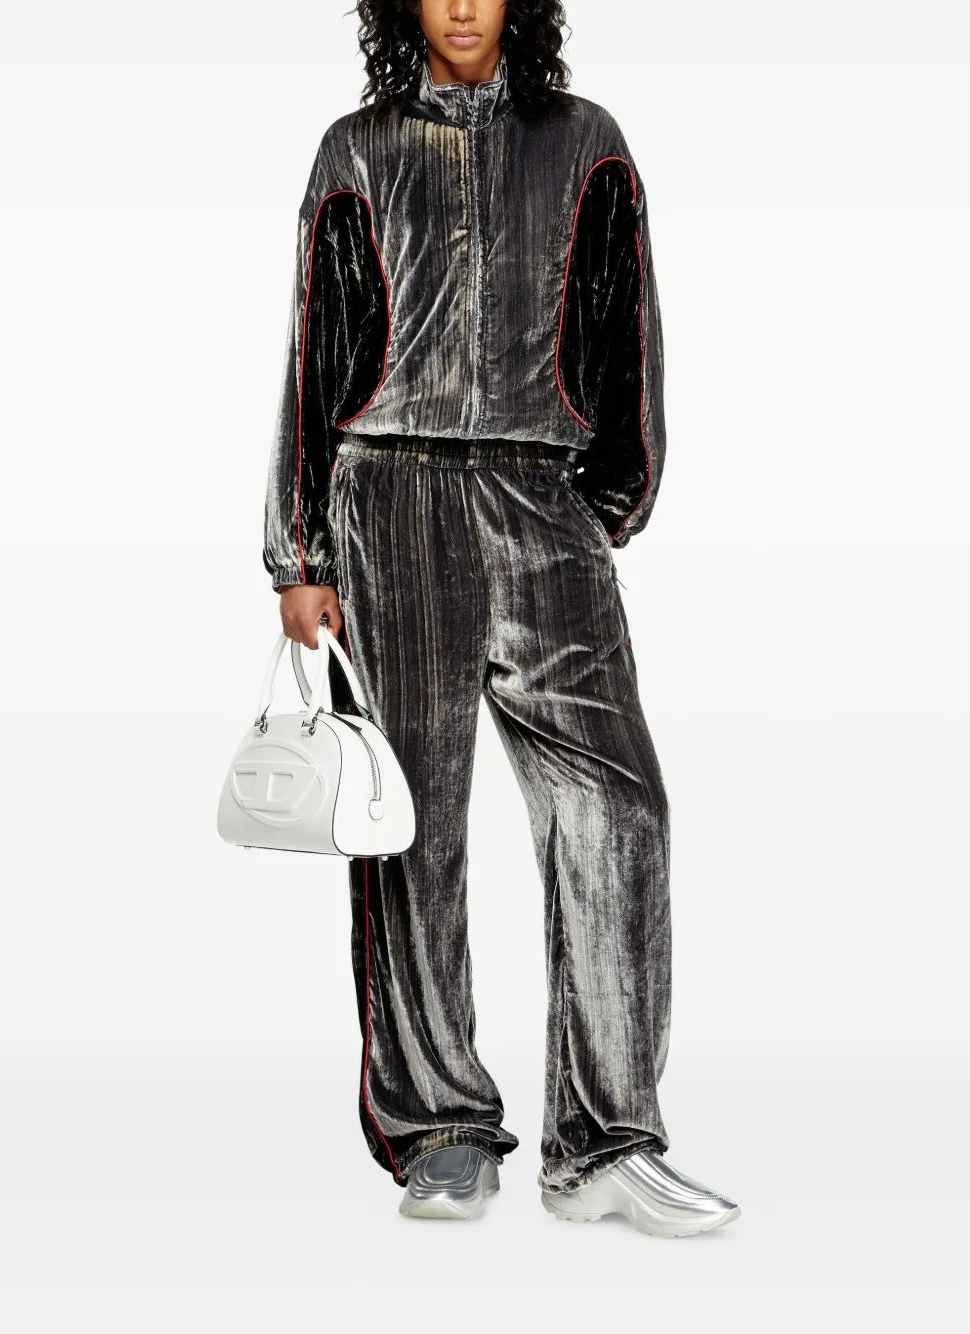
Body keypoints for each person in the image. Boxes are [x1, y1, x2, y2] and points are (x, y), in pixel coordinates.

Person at [262, 0, 739, 1236]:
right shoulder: (357, 148)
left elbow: (626, 324)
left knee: (617, 806)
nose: (465, 4)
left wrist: (609, 498)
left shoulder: (584, 139)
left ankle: (606, 1141)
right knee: (410, 824)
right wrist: (299, 547)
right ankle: (441, 1128)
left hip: (541, 497)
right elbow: (315, 348)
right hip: (389, 497)